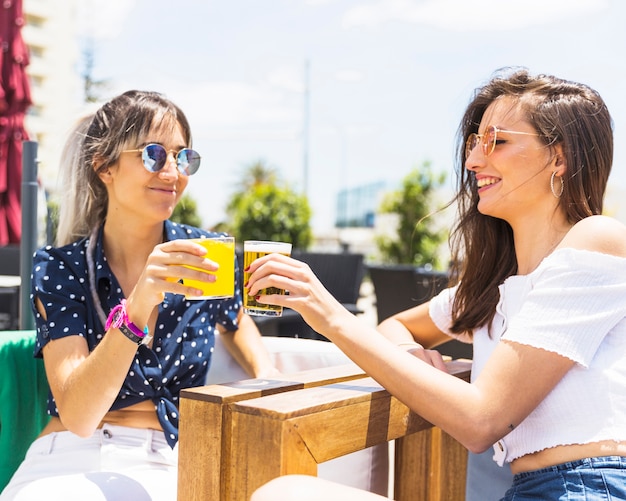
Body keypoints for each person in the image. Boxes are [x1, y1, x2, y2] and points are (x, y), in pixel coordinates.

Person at [247, 68, 626, 500]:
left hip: (591, 486)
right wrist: (413, 355)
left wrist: (330, 315)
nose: (473, 161)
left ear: (559, 158)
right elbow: (395, 327)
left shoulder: (598, 240)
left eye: (496, 142)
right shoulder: (493, 290)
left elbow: (482, 420)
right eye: (473, 144)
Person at [0, 90, 278, 501]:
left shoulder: (206, 254)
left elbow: (244, 335)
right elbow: (78, 415)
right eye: (153, 154)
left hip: (170, 456)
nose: (172, 172)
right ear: (104, 166)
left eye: (183, 158)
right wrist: (137, 306)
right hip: (69, 451)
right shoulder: (61, 266)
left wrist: (270, 378)